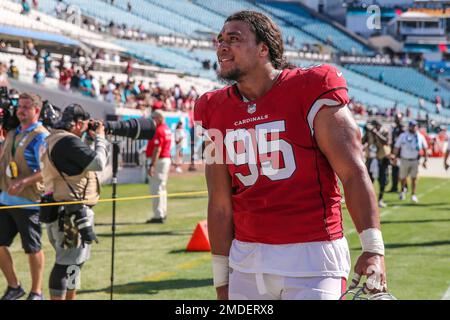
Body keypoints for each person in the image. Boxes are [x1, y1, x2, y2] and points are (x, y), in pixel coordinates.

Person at [194, 11, 387, 300]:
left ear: (263, 49)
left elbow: (352, 171)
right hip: (246, 262)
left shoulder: (311, 87)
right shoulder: (212, 108)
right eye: (220, 39)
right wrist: (221, 278)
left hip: (313, 259)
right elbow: (220, 203)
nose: (222, 46)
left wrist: (372, 248)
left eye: (234, 39)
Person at [39, 104, 108, 300]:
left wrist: (87, 137)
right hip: (70, 213)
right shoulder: (68, 142)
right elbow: (98, 163)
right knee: (65, 264)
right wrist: (101, 138)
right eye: (85, 125)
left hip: (63, 208)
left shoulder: (55, 139)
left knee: (74, 263)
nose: (87, 128)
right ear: (78, 124)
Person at [0, 93, 49, 300]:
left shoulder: (41, 135)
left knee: (32, 248)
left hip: (29, 202)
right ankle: (14, 286)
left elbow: (47, 169)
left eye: (26, 107)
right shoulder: (12, 132)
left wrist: (24, 181)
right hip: (5, 200)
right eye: (19, 106)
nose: (20, 110)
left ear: (36, 110)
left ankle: (36, 292)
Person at [145, 110, 172, 223]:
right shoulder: (166, 128)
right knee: (161, 188)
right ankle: (162, 212)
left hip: (160, 160)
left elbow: (157, 149)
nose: (152, 120)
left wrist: (152, 165)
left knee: (156, 188)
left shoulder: (159, 130)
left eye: (153, 117)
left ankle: (158, 214)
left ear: (159, 118)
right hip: (164, 159)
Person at [393, 120, 428, 203]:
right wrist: (394, 157)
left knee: (414, 178)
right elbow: (396, 147)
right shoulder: (403, 135)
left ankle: (413, 194)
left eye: (415, 126)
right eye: (412, 126)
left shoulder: (420, 136)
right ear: (409, 126)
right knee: (402, 177)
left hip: (415, 160)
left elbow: (425, 148)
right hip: (404, 159)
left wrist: (425, 160)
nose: (414, 127)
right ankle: (402, 191)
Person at [362, 119, 390, 208]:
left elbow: (386, 142)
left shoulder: (385, 131)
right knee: (368, 180)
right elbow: (362, 141)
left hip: (381, 159)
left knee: (383, 180)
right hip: (371, 158)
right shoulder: (369, 132)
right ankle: (368, 200)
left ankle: (380, 199)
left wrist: (376, 133)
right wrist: (367, 132)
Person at [388, 114, 404, 193]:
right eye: (395, 118)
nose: (396, 119)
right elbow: (393, 141)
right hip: (394, 152)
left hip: (400, 153)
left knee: (401, 171)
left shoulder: (402, 128)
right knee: (394, 171)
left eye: (397, 118)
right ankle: (394, 187)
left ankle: (404, 187)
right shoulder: (394, 128)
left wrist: (398, 154)